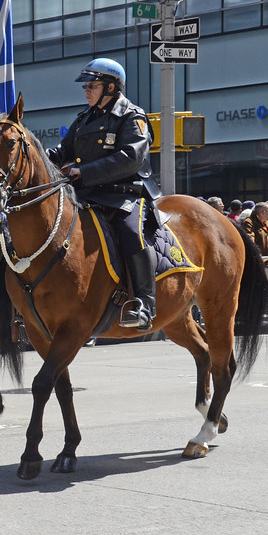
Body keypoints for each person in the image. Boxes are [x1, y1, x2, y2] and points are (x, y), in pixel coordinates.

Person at [46, 58, 161, 331]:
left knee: (131, 234)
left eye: (92, 85)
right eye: (85, 86)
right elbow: (62, 152)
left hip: (123, 195)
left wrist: (84, 171)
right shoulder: (84, 118)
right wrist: (35, 155)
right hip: (85, 194)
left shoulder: (132, 116)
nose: (86, 91)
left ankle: (144, 304)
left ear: (110, 87)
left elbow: (131, 157)